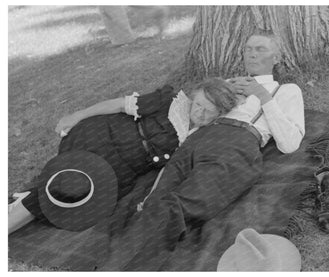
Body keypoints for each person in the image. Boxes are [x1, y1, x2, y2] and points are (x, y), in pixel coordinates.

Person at [96, 32, 306, 270]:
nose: (252, 53)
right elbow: (197, 113)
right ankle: (114, 263)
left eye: (260, 49)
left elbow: (289, 144)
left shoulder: (286, 91)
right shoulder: (226, 83)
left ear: (276, 58)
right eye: (248, 48)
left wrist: (262, 95)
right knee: (151, 203)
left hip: (236, 143)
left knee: (177, 206)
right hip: (196, 140)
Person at [8, 78, 239, 235]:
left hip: (121, 169)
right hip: (103, 136)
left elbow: (175, 171)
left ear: (219, 114)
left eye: (208, 110)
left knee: (76, 193)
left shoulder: (199, 137)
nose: (199, 112)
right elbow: (119, 105)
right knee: (65, 185)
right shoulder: (169, 102)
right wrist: (77, 115)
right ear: (193, 97)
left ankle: (25, 199)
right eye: (198, 104)